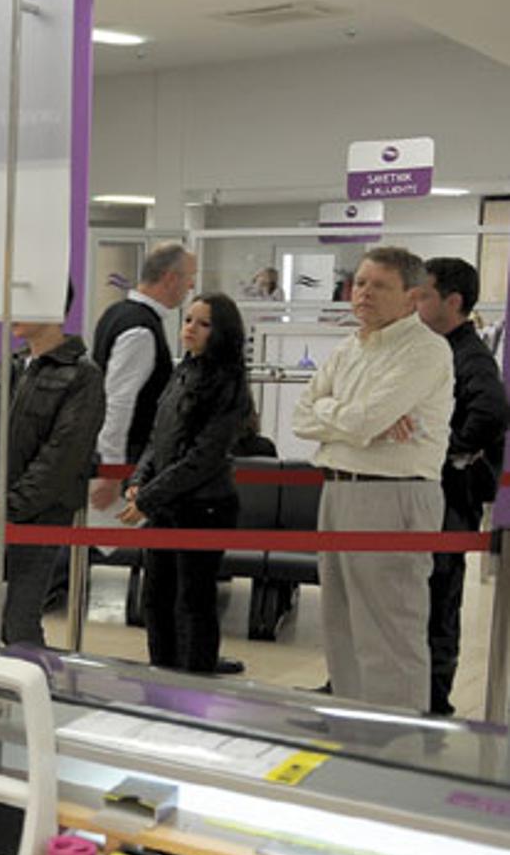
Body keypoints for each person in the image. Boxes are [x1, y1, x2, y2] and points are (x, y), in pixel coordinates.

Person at [291, 246, 453, 713]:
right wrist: (353, 420)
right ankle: (354, 733)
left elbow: (365, 419)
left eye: (379, 285)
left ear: (412, 297)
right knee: (341, 626)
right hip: (338, 490)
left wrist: (346, 418)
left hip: (393, 495)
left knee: (390, 633)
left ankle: (396, 742)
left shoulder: (425, 350)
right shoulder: (349, 348)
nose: (363, 293)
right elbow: (302, 416)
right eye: (360, 283)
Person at [0, 284, 104, 648]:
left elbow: (60, 459)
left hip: (39, 517)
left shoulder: (82, 375)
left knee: (18, 621)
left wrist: (5, 512)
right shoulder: (11, 366)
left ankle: (37, 681)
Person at [121, 294, 253, 674]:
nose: (190, 328)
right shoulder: (183, 371)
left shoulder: (229, 382)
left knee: (192, 602)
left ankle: (195, 681)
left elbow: (203, 457)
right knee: (156, 599)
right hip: (167, 504)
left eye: (203, 323)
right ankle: (162, 675)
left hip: (204, 506)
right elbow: (158, 438)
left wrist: (148, 497)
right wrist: (140, 480)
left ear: (221, 332)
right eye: (189, 319)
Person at [416, 257, 510, 715]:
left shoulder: (468, 355)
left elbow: (491, 412)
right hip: (430, 493)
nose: (416, 302)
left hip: (451, 498)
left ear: (452, 301)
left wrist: (446, 449)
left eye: (424, 295)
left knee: (439, 596)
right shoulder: (434, 349)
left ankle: (435, 701)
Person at [91, 242, 195, 511]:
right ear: (170, 278)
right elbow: (119, 400)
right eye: (189, 277)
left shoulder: (116, 313)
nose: (191, 286)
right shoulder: (140, 329)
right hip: (130, 459)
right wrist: (112, 468)